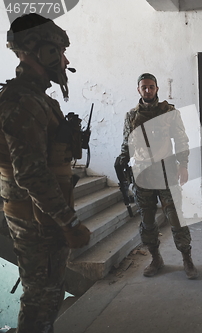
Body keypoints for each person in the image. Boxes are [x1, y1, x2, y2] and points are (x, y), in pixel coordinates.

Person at [0, 13, 91, 333]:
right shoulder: (22, 100)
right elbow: (30, 173)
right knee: (41, 297)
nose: (64, 60)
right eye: (59, 51)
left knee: (47, 295)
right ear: (40, 51)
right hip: (35, 217)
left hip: (41, 215)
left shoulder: (37, 99)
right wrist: (69, 221)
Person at [118, 73, 198, 279]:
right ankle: (156, 258)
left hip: (166, 171)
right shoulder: (131, 115)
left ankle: (187, 259)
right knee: (147, 220)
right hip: (143, 173)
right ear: (138, 89)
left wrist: (184, 165)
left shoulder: (169, 112)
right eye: (144, 87)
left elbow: (181, 140)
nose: (147, 90)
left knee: (176, 218)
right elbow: (128, 142)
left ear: (157, 88)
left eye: (151, 87)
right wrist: (122, 159)